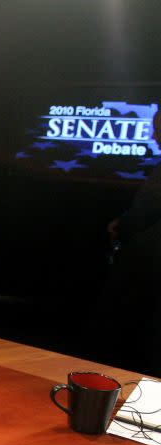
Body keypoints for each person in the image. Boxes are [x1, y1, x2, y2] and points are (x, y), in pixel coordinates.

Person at [97, 109, 160, 376]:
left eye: (158, 128)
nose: (153, 136)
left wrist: (123, 228)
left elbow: (145, 213)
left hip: (147, 274)